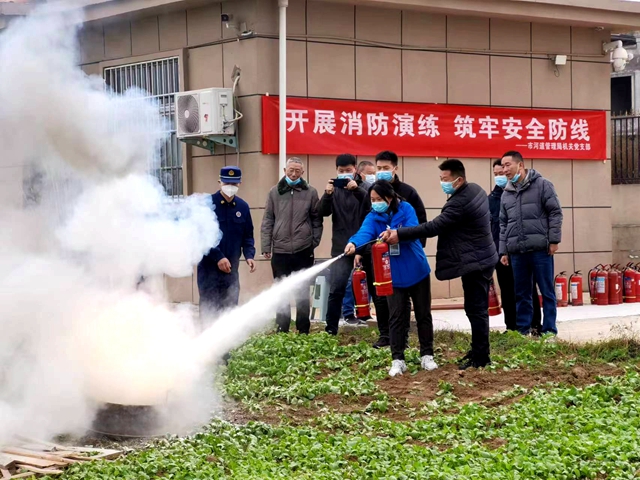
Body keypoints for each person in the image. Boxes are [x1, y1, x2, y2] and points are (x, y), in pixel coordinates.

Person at [382, 159, 497, 370]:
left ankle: (481, 357)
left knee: (476, 310)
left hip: (476, 262)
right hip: (482, 257)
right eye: (441, 178)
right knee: (475, 308)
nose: (442, 183)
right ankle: (479, 350)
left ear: (458, 179)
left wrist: (400, 234)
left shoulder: (460, 202)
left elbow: (434, 227)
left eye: (445, 179)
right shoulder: (475, 189)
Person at [345, 181, 437, 377]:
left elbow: (413, 229)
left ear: (390, 197)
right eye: (372, 200)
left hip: (416, 269)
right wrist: (353, 243)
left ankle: (427, 355)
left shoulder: (406, 208)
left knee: (423, 314)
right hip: (392, 275)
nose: (376, 203)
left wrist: (396, 233)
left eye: (379, 199)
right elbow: (364, 233)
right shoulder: (373, 216)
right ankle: (398, 359)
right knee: (395, 316)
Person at [360, 151, 427, 349]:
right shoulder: (371, 193)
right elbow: (365, 225)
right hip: (378, 255)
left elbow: (420, 224)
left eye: (385, 168)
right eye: (378, 168)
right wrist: (357, 248)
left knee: (404, 302)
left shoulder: (408, 195)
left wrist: (413, 247)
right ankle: (386, 335)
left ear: (395, 168)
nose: (381, 172)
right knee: (381, 297)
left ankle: (405, 339)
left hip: (406, 256)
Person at [499, 151, 563, 337]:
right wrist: (504, 250)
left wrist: (554, 240)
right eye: (503, 166)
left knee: (546, 291)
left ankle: (549, 331)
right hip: (517, 252)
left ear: (520, 165)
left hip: (541, 250)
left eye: (508, 165)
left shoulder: (543, 185)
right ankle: (523, 330)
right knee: (522, 293)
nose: (505, 170)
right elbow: (504, 224)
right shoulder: (507, 193)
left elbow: (555, 213)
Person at [261, 157, 323, 334]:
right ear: (284, 170)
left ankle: (303, 329)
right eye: (291, 170)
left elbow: (316, 219)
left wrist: (313, 241)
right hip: (280, 250)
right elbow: (268, 220)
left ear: (302, 172)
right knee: (281, 291)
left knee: (302, 291)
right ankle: (282, 328)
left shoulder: (311, 192)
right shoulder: (274, 192)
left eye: (297, 171)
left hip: (303, 249)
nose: (294, 174)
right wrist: (266, 246)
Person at [489, 160, 542, 333]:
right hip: (501, 251)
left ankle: (534, 325)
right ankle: (511, 327)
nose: (499, 176)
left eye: (502, 173)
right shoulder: (491, 199)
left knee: (527, 288)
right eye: (496, 174)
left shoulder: (524, 193)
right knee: (507, 290)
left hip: (521, 250)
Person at [318, 154, 368, 334]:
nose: (345, 174)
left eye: (348, 170)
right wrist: (327, 194)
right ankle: (331, 328)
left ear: (355, 169)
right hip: (341, 247)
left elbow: (372, 206)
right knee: (337, 288)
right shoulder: (334, 189)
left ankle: (383, 330)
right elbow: (322, 213)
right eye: (341, 171)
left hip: (365, 245)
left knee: (375, 288)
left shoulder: (365, 187)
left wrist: (357, 190)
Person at [198, 166, 256, 320]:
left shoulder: (243, 207)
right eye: (227, 183)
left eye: (234, 184)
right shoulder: (207, 204)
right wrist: (218, 257)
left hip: (231, 270)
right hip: (208, 270)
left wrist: (249, 255)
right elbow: (201, 236)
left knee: (229, 310)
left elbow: (248, 236)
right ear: (219, 182)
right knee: (209, 310)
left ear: (240, 183)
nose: (230, 187)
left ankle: (229, 344)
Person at [341, 160, 377, 324]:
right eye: (369, 173)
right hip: (354, 242)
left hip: (367, 243)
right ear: (359, 173)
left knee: (368, 280)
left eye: (373, 173)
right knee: (351, 280)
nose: (372, 176)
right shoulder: (351, 190)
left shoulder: (372, 192)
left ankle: (364, 312)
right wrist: (356, 247)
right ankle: (348, 312)